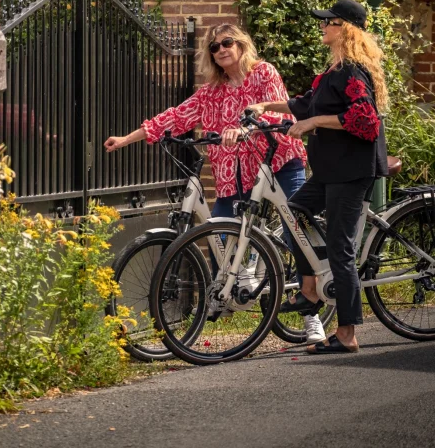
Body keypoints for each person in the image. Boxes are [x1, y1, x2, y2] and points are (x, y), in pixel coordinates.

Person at [104, 23, 326, 342]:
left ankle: (311, 314)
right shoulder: (211, 93)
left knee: (296, 229)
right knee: (221, 236)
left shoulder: (263, 73)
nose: (221, 49)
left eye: (227, 42)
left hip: (278, 160)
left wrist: (244, 127)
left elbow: (278, 113)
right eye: (214, 46)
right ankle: (243, 280)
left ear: (241, 45)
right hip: (234, 175)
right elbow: (175, 116)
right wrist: (127, 139)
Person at [248, 0, 388, 354]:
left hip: (350, 170)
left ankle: (347, 334)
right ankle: (310, 288)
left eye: (330, 22)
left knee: (341, 250)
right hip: (330, 169)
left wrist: (313, 122)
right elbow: (307, 102)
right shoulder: (335, 71)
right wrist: (267, 106)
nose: (323, 27)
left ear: (347, 29)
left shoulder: (353, 71)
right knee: (292, 213)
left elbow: (365, 120)